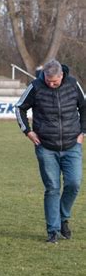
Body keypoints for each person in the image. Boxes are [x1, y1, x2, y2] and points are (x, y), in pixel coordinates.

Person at [15, 59, 85, 243]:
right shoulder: (36, 86)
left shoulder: (72, 84)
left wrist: (83, 133)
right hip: (46, 147)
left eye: (55, 81)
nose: (51, 84)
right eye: (48, 80)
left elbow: (84, 107)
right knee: (53, 188)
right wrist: (28, 132)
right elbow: (20, 108)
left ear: (62, 75)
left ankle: (63, 218)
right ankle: (52, 230)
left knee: (74, 183)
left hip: (72, 145)